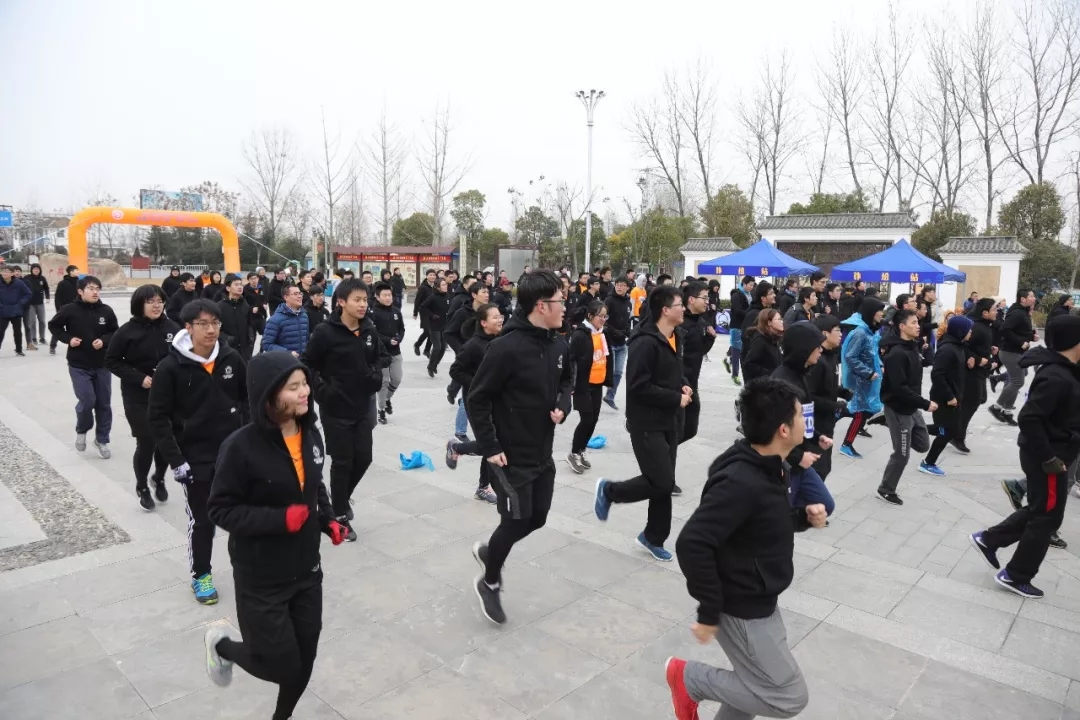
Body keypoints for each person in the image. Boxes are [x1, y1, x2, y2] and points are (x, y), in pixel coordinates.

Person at [204, 352, 348, 720]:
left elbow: (314, 485)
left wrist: (327, 519)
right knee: (280, 665)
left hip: (307, 570)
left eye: (305, 384)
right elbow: (220, 509)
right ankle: (223, 648)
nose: (305, 392)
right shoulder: (240, 447)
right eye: (293, 387)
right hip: (261, 577)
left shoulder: (311, 433)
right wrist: (280, 519)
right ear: (268, 396)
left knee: (304, 660)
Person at [666, 378, 821, 720]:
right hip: (742, 607)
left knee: (755, 684)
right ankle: (689, 679)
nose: (804, 420)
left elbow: (760, 520)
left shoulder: (769, 464)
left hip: (759, 596)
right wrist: (709, 610)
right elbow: (692, 542)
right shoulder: (741, 480)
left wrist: (802, 518)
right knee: (787, 697)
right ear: (783, 429)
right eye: (800, 415)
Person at [467, 270, 572, 624]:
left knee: (537, 518)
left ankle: (490, 552)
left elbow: (567, 381)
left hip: (542, 452)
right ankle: (490, 582)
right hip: (508, 457)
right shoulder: (505, 348)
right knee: (515, 520)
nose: (565, 306)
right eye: (560, 300)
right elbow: (477, 399)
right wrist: (490, 445)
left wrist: (563, 404)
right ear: (541, 306)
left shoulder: (558, 344)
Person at [970, 314, 1080, 598]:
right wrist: (1048, 458)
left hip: (1052, 453)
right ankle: (1016, 575)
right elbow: (1029, 418)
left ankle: (989, 539)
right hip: (1049, 458)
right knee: (1047, 518)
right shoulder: (1056, 376)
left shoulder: (1065, 370)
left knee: (1042, 509)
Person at [149, 299, 248, 604]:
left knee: (243, 515)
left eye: (215, 323)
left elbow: (247, 401)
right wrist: (176, 460)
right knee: (203, 520)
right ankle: (201, 574)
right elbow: (158, 418)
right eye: (203, 324)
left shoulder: (231, 358)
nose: (211, 330)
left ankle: (248, 568)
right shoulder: (170, 367)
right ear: (188, 327)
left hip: (232, 454)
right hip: (195, 458)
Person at [594, 286, 690, 561]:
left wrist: (682, 386)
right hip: (646, 422)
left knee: (664, 482)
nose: (683, 309)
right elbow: (638, 386)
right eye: (680, 304)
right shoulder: (644, 342)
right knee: (661, 481)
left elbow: (673, 372)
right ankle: (610, 491)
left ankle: (653, 537)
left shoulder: (674, 336)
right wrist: (675, 398)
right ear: (665, 310)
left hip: (669, 419)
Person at [301, 278, 387, 541]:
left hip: (362, 405)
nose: (363, 305)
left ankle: (337, 500)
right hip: (335, 408)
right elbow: (307, 364)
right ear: (341, 302)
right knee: (342, 461)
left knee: (364, 458)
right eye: (357, 300)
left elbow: (380, 357)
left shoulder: (369, 329)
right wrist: (323, 390)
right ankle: (338, 515)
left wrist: (374, 375)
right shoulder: (325, 332)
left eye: (365, 300)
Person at [105, 285, 179, 510]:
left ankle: (159, 478)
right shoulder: (126, 331)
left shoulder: (173, 328)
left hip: (167, 395)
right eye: (151, 301)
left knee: (166, 440)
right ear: (139, 304)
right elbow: (111, 361)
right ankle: (142, 486)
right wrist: (139, 378)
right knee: (146, 441)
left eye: (160, 301)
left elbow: (184, 356)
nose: (157, 306)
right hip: (137, 396)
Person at [48, 275, 119, 455]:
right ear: (80, 291)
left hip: (102, 364)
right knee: (87, 401)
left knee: (104, 404)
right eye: (91, 289)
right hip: (79, 365)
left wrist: (104, 341)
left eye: (98, 289)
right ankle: (82, 429)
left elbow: (115, 332)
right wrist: (68, 339)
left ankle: (102, 440)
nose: (95, 292)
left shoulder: (106, 311)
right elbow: (54, 326)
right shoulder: (69, 310)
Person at [444, 303, 505, 504]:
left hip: (497, 401)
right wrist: (478, 384)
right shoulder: (472, 345)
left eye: (500, 316)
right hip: (477, 402)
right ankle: (482, 486)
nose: (500, 319)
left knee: (497, 442)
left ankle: (458, 448)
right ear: (484, 323)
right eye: (495, 317)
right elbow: (455, 371)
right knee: (491, 443)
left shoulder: (500, 341)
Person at [876, 310, 937, 505]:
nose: (918, 326)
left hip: (912, 406)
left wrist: (928, 349)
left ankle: (888, 421)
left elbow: (927, 362)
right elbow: (899, 388)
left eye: (918, 322)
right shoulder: (896, 354)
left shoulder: (912, 346)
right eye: (913, 323)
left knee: (923, 445)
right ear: (902, 327)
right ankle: (886, 489)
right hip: (899, 407)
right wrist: (925, 403)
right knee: (902, 454)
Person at [920, 315, 972, 476]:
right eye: (968, 329)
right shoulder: (948, 349)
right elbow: (937, 375)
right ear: (960, 331)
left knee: (947, 429)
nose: (971, 332)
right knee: (946, 431)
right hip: (943, 397)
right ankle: (928, 463)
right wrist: (949, 396)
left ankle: (912, 429)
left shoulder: (958, 346)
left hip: (954, 395)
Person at [566, 301, 612, 474]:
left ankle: (581, 449)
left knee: (593, 420)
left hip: (597, 383)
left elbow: (607, 356)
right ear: (590, 316)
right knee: (586, 419)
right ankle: (573, 453)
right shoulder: (580, 335)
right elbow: (571, 360)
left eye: (605, 316)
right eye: (601, 316)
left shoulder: (602, 333)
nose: (603, 319)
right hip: (583, 385)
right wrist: (571, 384)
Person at [838, 298, 886, 459]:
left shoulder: (872, 331)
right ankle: (846, 445)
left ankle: (841, 411)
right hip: (861, 379)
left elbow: (873, 353)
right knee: (860, 412)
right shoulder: (860, 333)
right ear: (871, 312)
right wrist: (867, 372)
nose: (882, 314)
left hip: (871, 379)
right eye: (879, 310)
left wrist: (880, 365)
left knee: (867, 409)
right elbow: (850, 356)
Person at [808, 314, 851, 480]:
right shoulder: (817, 360)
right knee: (817, 470)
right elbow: (808, 396)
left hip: (827, 421)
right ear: (825, 333)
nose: (841, 334)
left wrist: (841, 391)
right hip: (815, 425)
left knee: (824, 468)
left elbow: (826, 385)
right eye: (837, 330)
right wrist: (835, 406)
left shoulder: (831, 356)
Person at [445, 281, 490, 427]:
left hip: (485, 357)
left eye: (488, 292)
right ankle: (460, 431)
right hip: (468, 356)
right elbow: (449, 333)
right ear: (474, 295)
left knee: (472, 392)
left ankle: (454, 392)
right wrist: (462, 349)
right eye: (483, 292)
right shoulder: (462, 313)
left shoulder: (489, 311)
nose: (487, 295)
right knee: (471, 390)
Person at [990, 290, 1037, 425]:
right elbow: (1005, 329)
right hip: (1010, 352)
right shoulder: (1017, 313)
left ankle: (1007, 411)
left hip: (1016, 352)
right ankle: (996, 407)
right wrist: (1020, 342)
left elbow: (1019, 330)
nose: (1034, 298)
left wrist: (1031, 336)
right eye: (1031, 296)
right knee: (1018, 382)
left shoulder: (1022, 311)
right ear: (1023, 299)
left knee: (1015, 381)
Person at [680, 281, 716, 444]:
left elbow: (700, 351)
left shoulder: (701, 322)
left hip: (692, 381)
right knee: (677, 427)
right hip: (679, 383)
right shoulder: (681, 323)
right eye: (704, 298)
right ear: (691, 300)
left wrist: (710, 338)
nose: (707, 301)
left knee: (690, 428)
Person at [370, 281, 405, 425]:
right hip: (381, 353)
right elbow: (373, 333)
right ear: (377, 297)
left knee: (396, 378)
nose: (388, 298)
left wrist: (399, 338)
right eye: (384, 295)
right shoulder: (373, 313)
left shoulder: (396, 311)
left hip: (396, 351)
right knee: (384, 381)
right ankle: (381, 410)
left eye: (389, 295)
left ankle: (386, 399)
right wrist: (387, 340)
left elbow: (402, 329)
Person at [603, 276, 633, 410]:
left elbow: (627, 320)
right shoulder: (609, 301)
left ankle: (610, 396)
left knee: (619, 372)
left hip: (622, 343)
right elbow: (604, 320)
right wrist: (615, 332)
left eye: (622, 285)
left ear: (627, 287)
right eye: (617, 285)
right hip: (610, 341)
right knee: (610, 371)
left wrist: (627, 331)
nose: (619, 287)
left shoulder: (628, 303)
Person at [218, 273, 260, 362]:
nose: (240, 287)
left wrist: (250, 337)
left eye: (241, 284)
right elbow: (216, 329)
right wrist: (226, 339)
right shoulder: (220, 306)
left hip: (245, 349)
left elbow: (250, 323)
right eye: (236, 285)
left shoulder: (245, 304)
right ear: (228, 288)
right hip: (228, 349)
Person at [261, 284, 309, 356]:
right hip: (284, 360)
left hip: (302, 360)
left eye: (300, 293)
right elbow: (267, 344)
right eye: (295, 294)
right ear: (286, 297)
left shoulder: (304, 316)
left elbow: (306, 340)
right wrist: (287, 353)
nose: (299, 296)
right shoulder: (275, 319)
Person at [741, 308, 784, 383]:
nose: (782, 322)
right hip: (763, 385)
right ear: (769, 323)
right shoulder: (760, 340)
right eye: (779, 319)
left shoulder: (775, 338)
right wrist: (770, 375)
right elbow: (749, 364)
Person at [726, 275, 755, 385]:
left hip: (746, 325)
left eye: (753, 285)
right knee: (736, 350)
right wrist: (749, 314)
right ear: (744, 284)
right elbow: (737, 310)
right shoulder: (736, 295)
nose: (751, 287)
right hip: (737, 326)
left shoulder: (750, 294)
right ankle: (735, 374)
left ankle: (728, 361)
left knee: (743, 349)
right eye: (750, 285)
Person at [422, 277, 451, 377]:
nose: (445, 286)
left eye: (446, 285)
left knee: (443, 348)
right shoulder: (433, 297)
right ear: (438, 287)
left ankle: (434, 365)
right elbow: (423, 307)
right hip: (434, 325)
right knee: (437, 347)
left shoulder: (448, 297)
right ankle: (430, 366)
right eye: (443, 285)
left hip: (444, 325)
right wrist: (432, 315)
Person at [0, 265, 31, 357]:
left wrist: (20, 303)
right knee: (0, 331)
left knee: (17, 332)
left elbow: (28, 293)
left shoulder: (18, 283)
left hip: (16, 311)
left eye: (7, 271)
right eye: (3, 271)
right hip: (2, 311)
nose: (4, 273)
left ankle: (19, 350)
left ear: (12, 274)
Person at [50, 264, 81, 354]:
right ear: (71, 272)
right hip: (64, 310)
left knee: (78, 328)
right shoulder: (62, 283)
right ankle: (53, 346)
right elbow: (57, 298)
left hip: (77, 309)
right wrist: (58, 310)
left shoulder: (79, 283)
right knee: (58, 327)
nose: (78, 272)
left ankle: (77, 345)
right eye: (76, 270)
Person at [21, 263, 49, 350]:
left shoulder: (42, 278)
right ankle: (33, 338)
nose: (36, 270)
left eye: (38, 269)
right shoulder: (27, 278)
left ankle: (42, 338)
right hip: (30, 304)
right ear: (31, 270)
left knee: (42, 321)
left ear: (40, 270)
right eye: (34, 269)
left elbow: (46, 288)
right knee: (32, 321)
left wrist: (47, 297)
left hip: (40, 303)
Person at [413, 268, 437, 356]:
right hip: (424, 311)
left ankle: (427, 350)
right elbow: (417, 300)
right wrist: (415, 312)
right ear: (427, 276)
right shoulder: (423, 287)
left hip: (434, 312)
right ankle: (417, 345)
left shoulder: (436, 286)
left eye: (434, 275)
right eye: (430, 275)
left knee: (432, 332)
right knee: (427, 331)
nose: (432, 276)